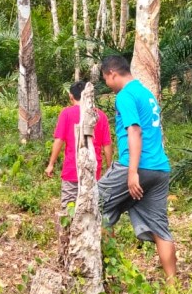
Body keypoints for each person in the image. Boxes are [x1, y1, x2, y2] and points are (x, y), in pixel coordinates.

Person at [98, 55, 176, 280]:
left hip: (136, 166)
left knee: (91, 203)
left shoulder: (125, 95)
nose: (107, 84)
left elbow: (135, 131)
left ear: (112, 73)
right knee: (161, 229)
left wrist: (132, 172)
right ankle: (174, 288)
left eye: (106, 79)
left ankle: (101, 271)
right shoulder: (146, 93)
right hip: (160, 169)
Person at [45, 80, 113, 210]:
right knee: (92, 209)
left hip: (72, 169)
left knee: (69, 208)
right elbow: (107, 144)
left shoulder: (66, 113)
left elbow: (59, 140)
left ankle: (69, 230)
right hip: (93, 171)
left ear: (71, 96)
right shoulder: (100, 116)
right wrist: (109, 167)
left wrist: (51, 164)